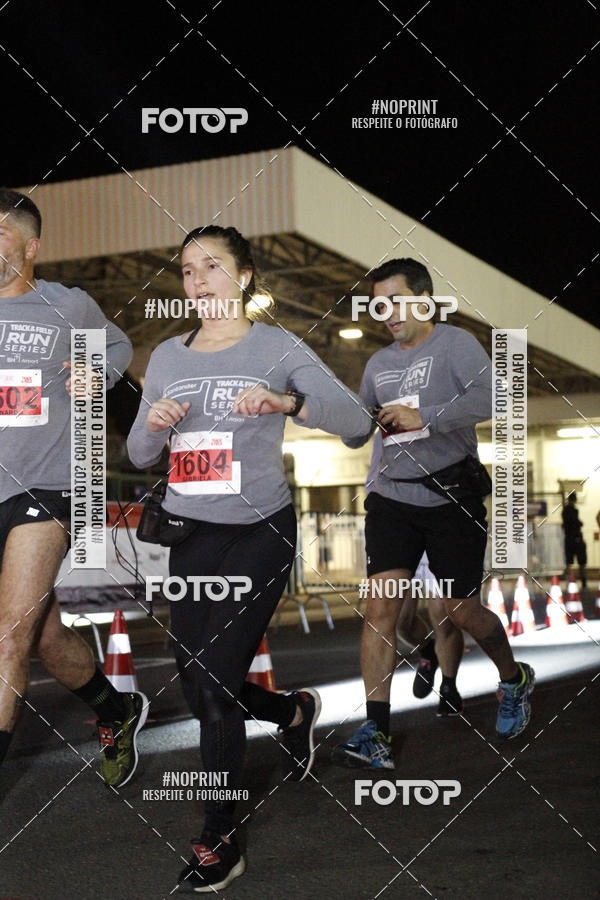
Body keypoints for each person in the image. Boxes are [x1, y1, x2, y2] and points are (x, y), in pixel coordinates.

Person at [127, 224, 373, 893]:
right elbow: (137, 456)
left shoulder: (277, 346)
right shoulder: (168, 356)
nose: (198, 279)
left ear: (243, 276)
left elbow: (356, 421)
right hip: (193, 538)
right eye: (185, 270)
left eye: (211, 266)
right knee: (201, 680)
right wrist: (153, 425)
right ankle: (292, 713)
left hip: (259, 533)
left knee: (209, 681)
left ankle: (219, 837)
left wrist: (288, 401)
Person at [332, 258, 535, 770]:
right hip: (391, 499)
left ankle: (513, 679)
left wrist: (428, 415)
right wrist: (327, 409)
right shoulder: (378, 363)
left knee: (460, 612)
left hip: (451, 499)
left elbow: (497, 395)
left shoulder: (457, 345)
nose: (387, 313)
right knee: (381, 609)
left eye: (396, 301)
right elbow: (357, 430)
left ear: (425, 298)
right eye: (379, 304)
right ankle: (375, 730)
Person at [0, 188, 143, 787]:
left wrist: (96, 371)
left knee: (9, 635)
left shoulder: (66, 305)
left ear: (30, 246)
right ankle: (115, 708)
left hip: (47, 484)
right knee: (43, 633)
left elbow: (118, 346)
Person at [368, 432, 465, 716]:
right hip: (401, 527)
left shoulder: (439, 424)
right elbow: (374, 481)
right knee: (400, 622)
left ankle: (449, 686)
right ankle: (428, 652)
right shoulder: (383, 437)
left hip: (439, 523)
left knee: (443, 616)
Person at [562, 493, 587, 589]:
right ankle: (583, 580)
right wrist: (580, 524)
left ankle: (570, 580)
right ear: (574, 500)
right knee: (582, 561)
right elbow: (576, 522)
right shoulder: (573, 511)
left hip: (568, 538)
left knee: (569, 561)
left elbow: (566, 524)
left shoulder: (565, 511)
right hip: (576, 537)